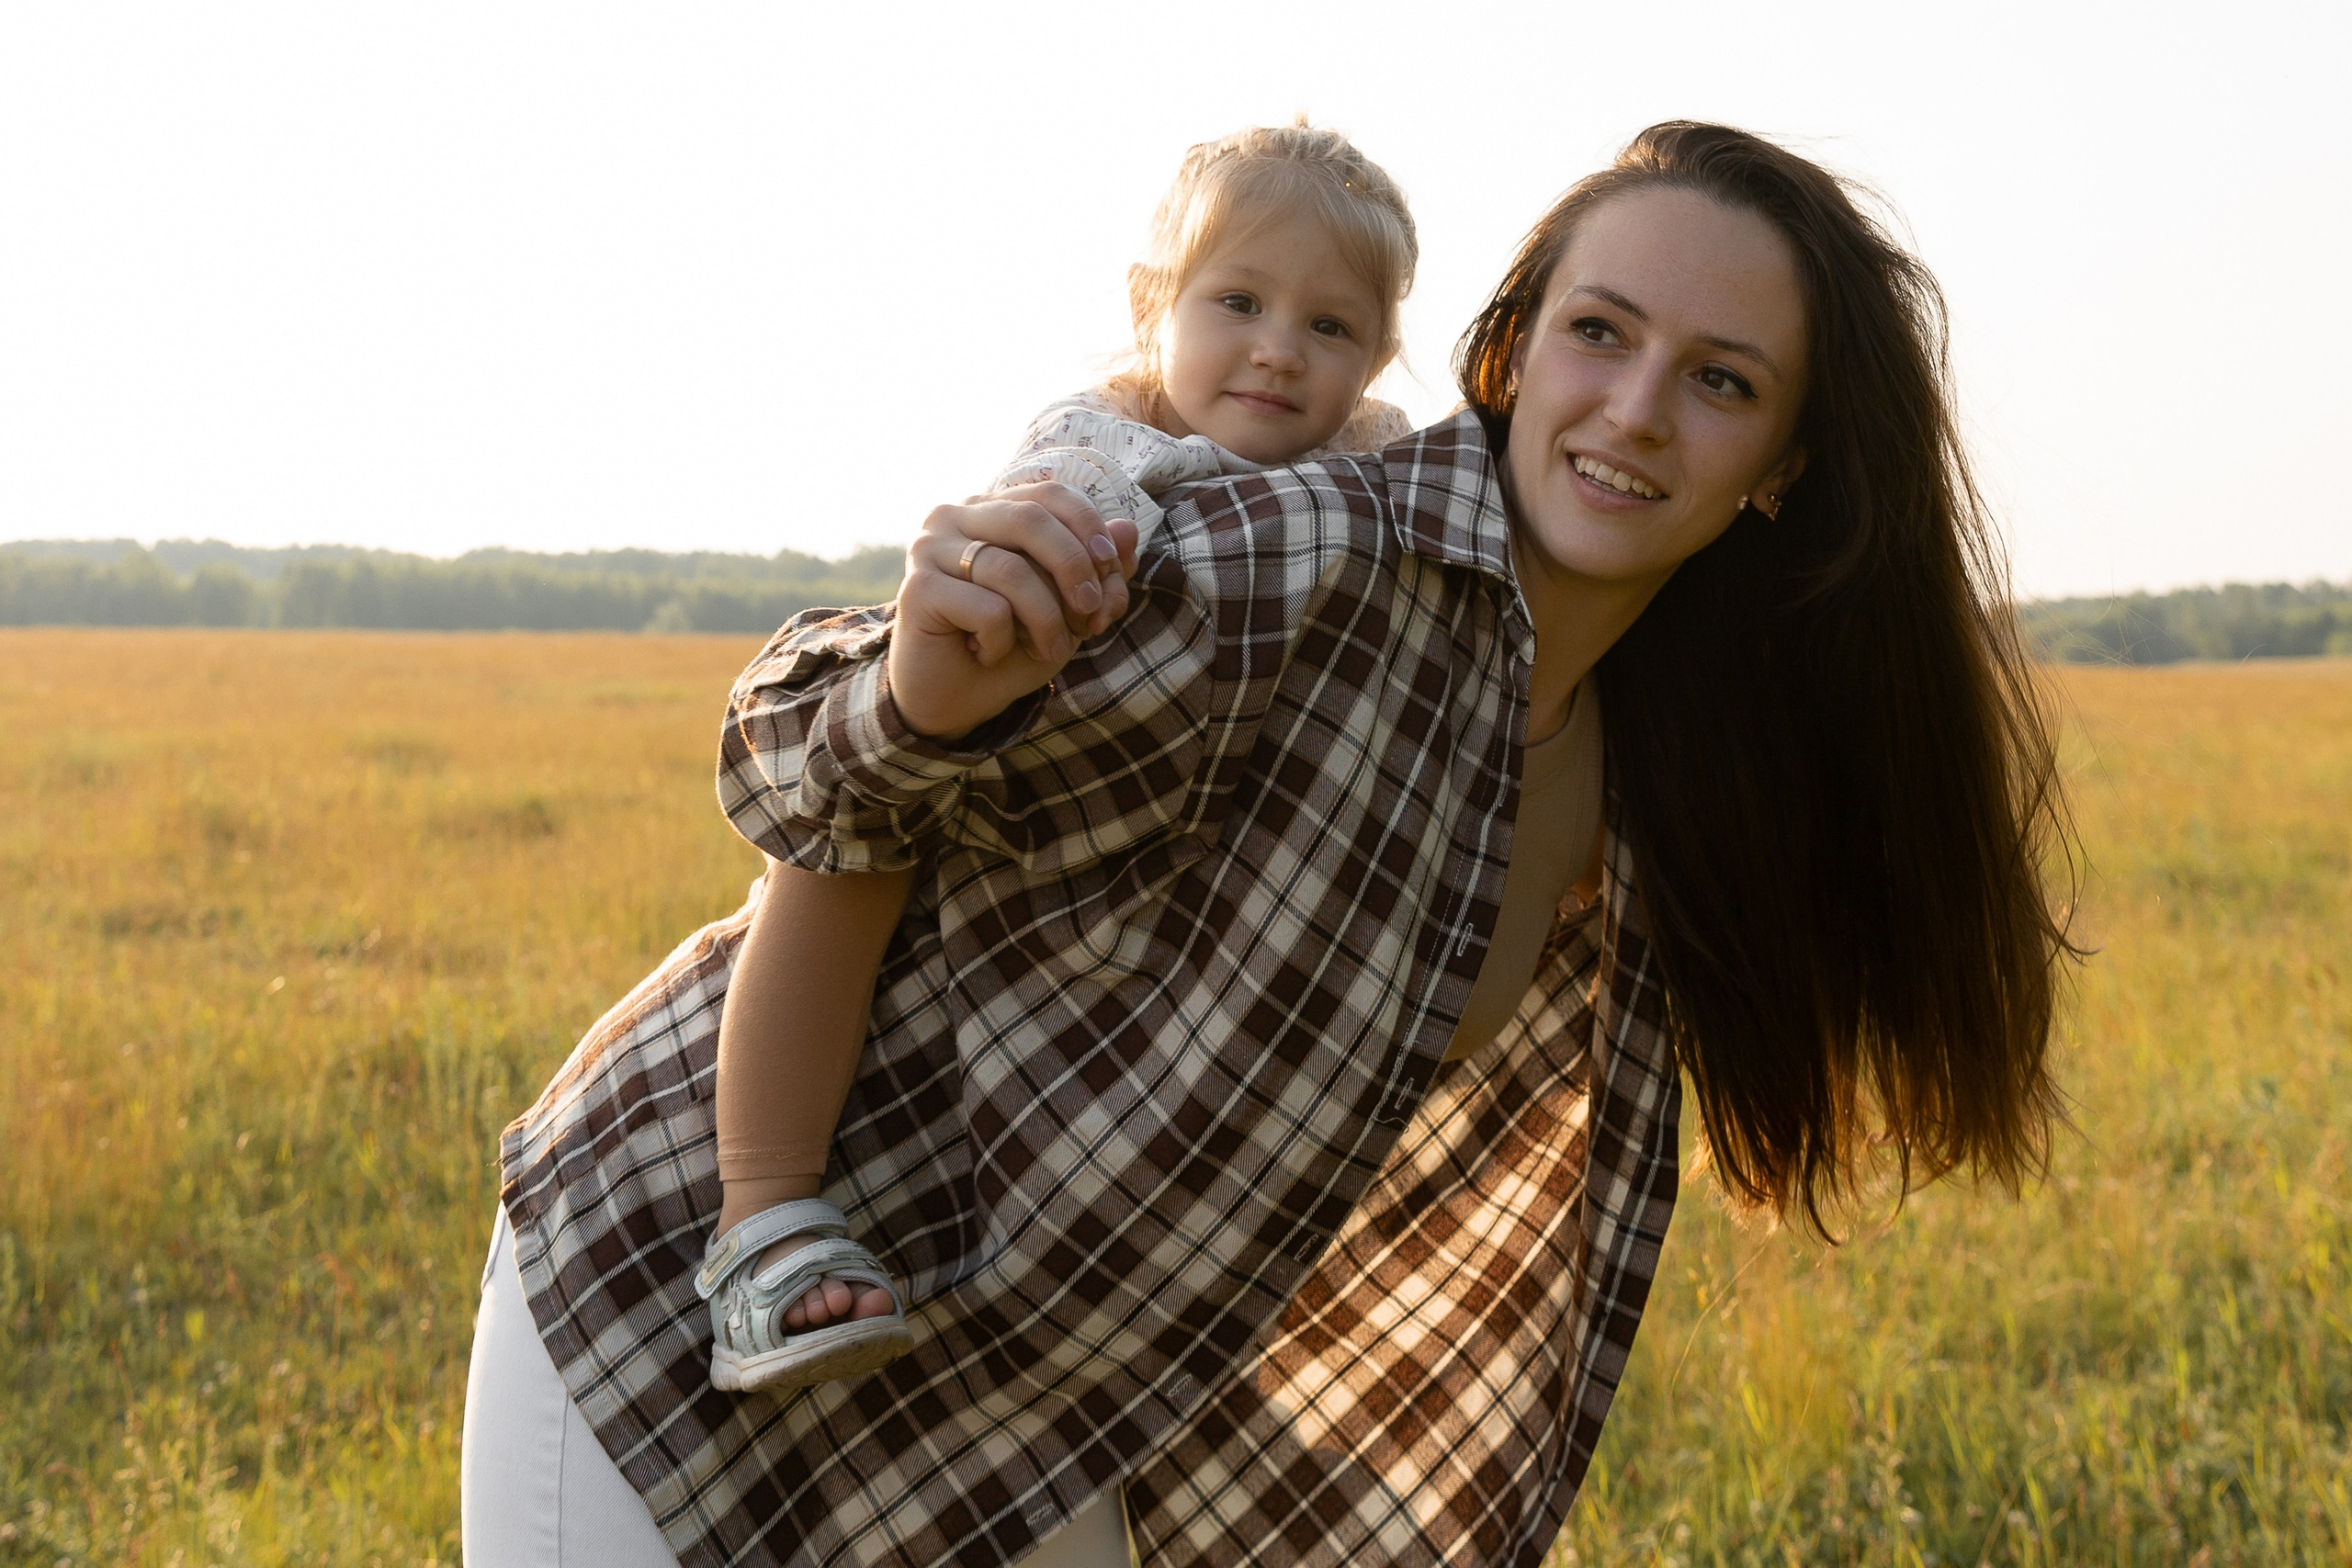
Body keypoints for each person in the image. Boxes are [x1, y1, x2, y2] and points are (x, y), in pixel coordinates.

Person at [463, 122, 2072, 1568]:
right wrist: (913, 680)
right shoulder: (1290, 556)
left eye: (1721, 381)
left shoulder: (1650, 765)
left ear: (1783, 465)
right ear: (1506, 353)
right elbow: (810, 761)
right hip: (677, 1312)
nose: (1637, 413)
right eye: (1600, 334)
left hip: (1021, 1421)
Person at [699, 122, 1420, 1397]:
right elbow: (1028, 602)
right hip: (982, 728)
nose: (1277, 348)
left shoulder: (1366, 464)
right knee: (840, 870)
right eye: (1239, 302)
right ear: (1157, 308)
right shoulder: (1105, 451)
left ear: (1375, 357)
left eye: (1329, 327)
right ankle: (759, 1223)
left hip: (1139, 855)